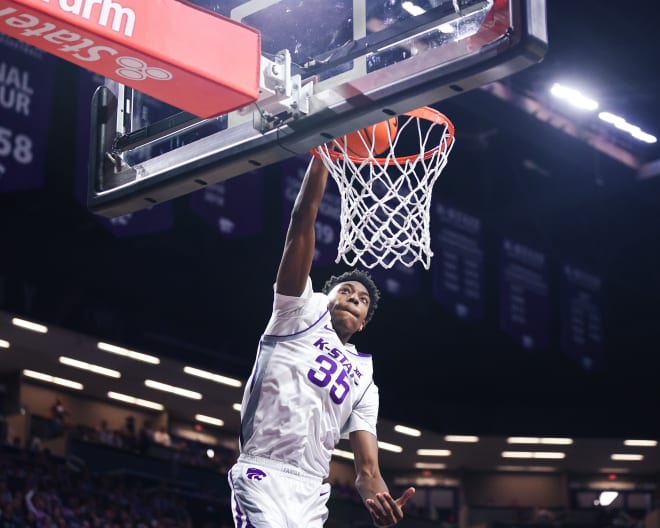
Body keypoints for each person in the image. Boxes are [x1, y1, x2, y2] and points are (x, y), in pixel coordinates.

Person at [228, 155, 415, 527]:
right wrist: (322, 156)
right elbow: (302, 224)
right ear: (326, 296)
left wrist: (380, 501)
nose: (354, 299)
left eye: (362, 301)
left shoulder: (365, 382)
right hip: (263, 472)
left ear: (363, 323)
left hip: (312, 490)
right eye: (347, 291)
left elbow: (367, 470)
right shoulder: (297, 312)